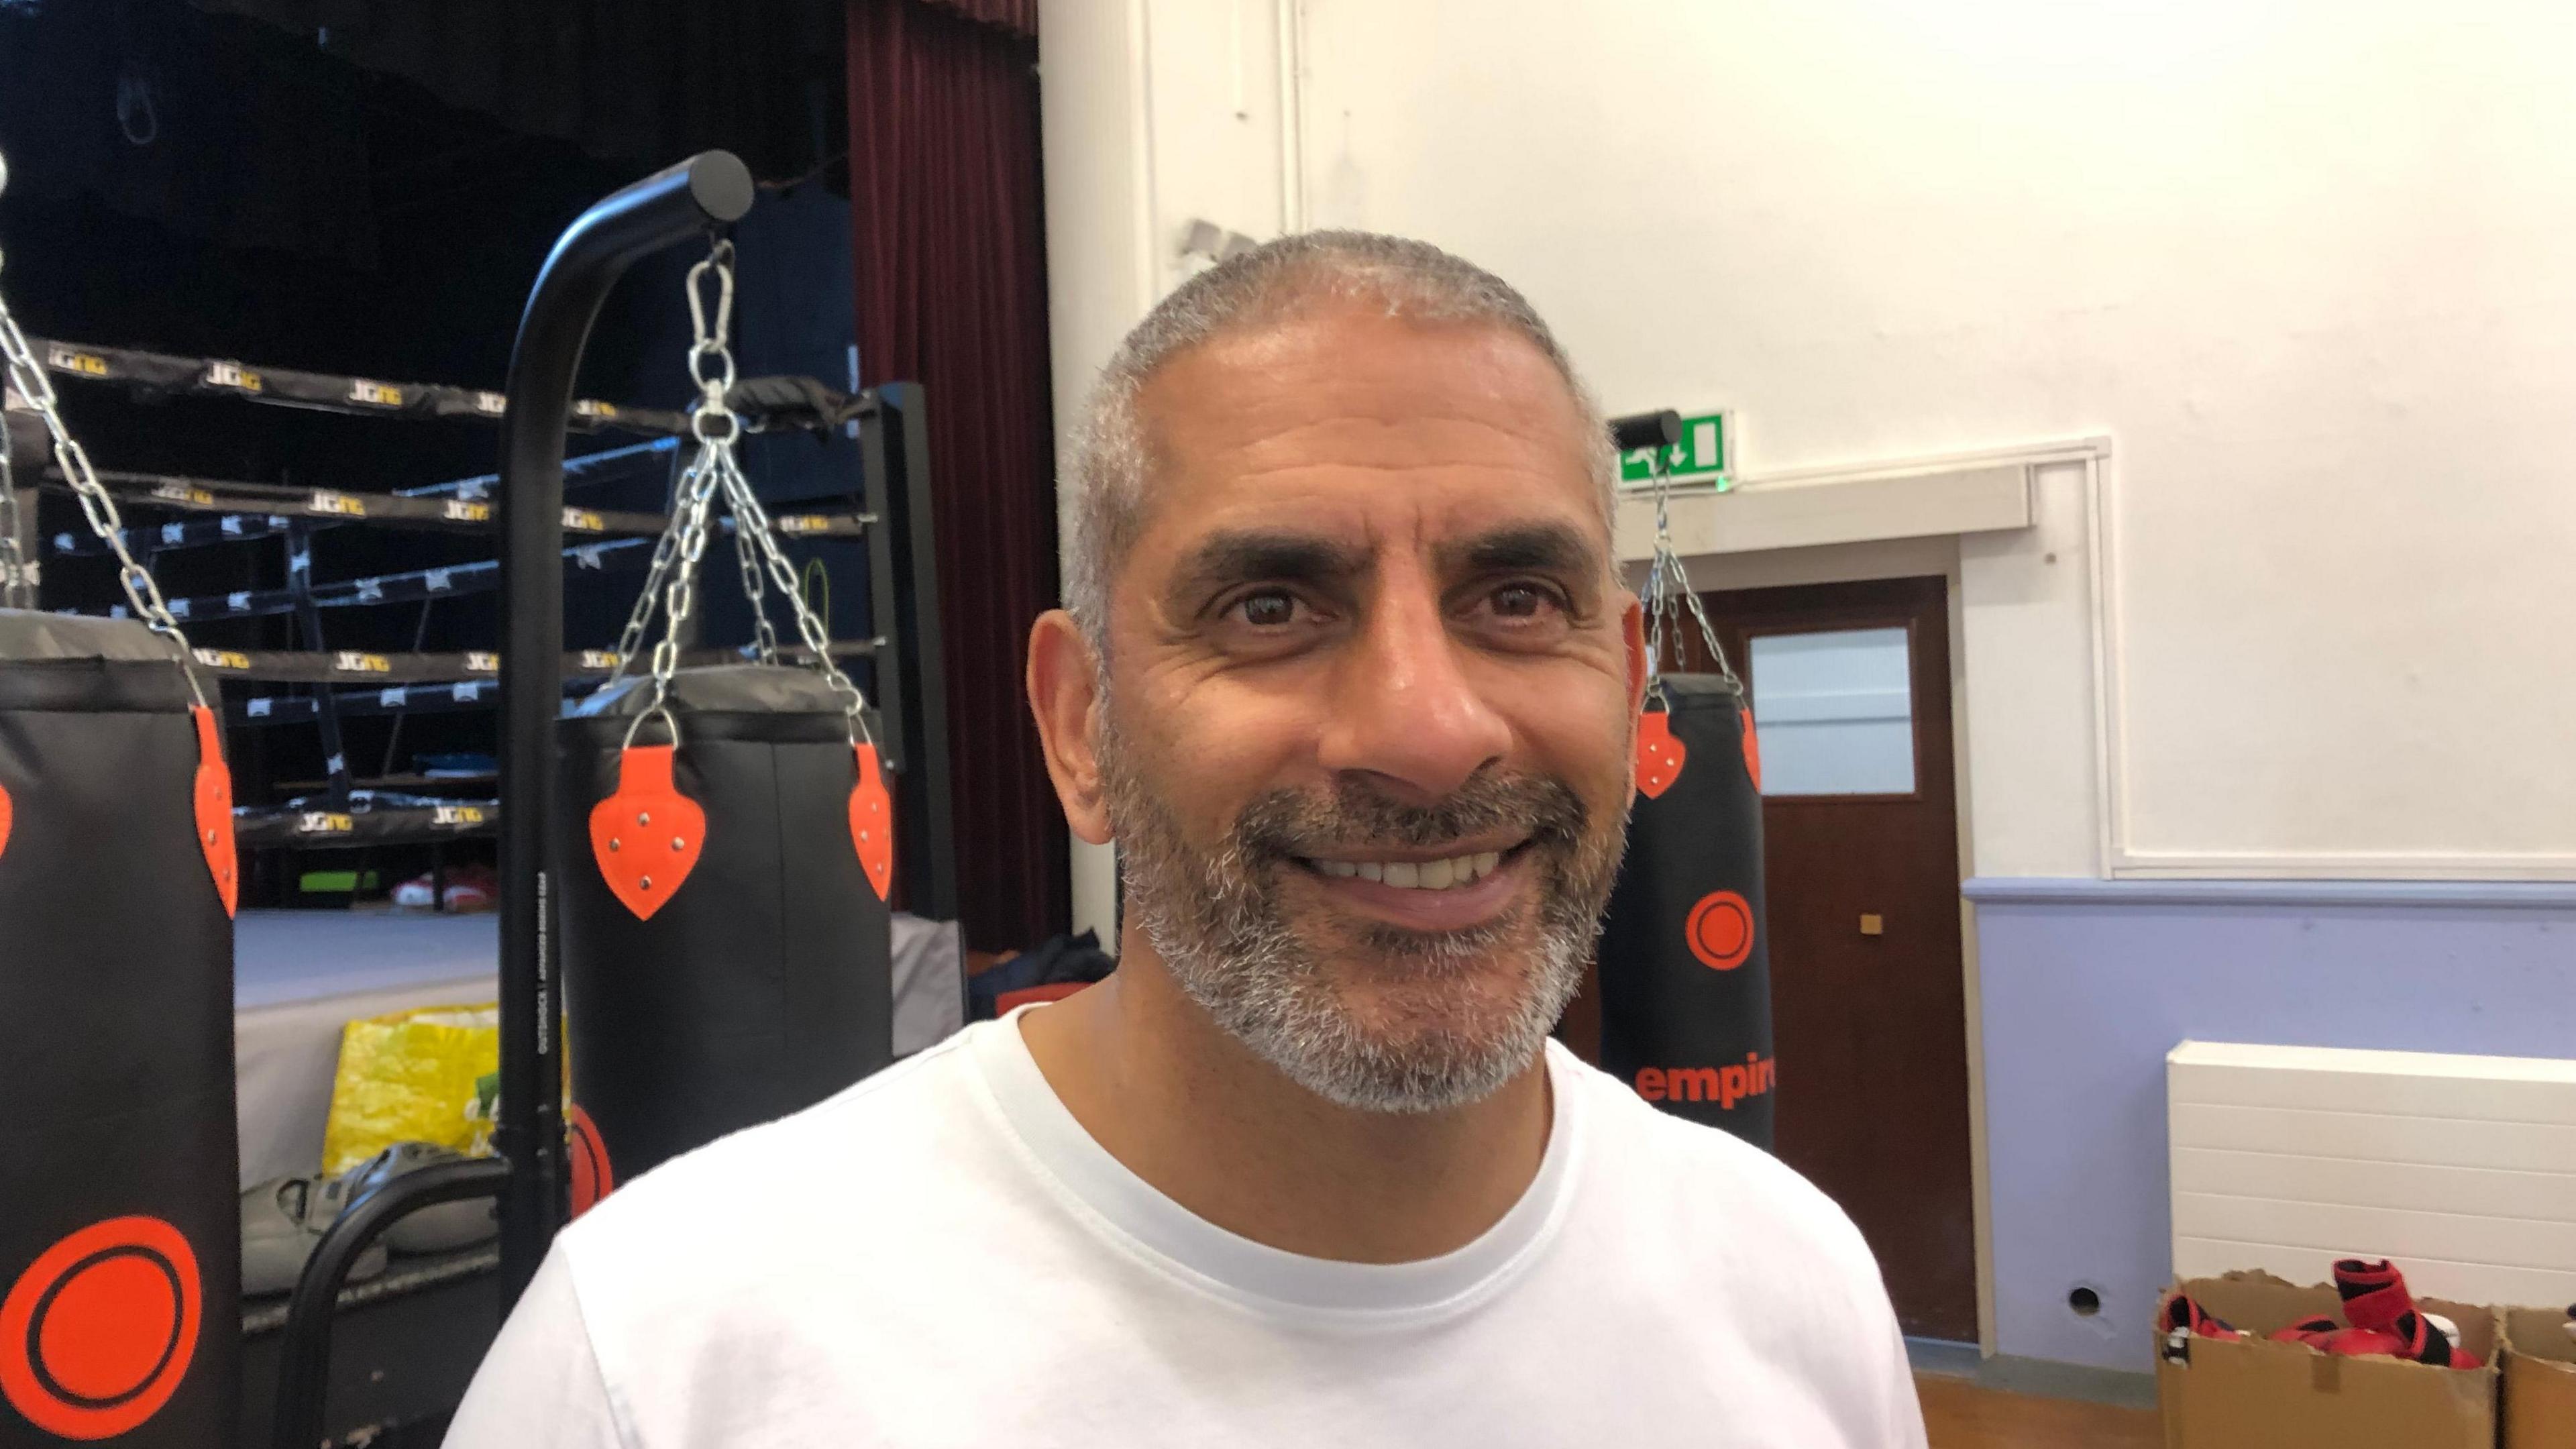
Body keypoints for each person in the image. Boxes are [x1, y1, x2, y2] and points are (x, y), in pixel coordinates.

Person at [444, 231, 1928, 1447]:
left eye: (1515, 598)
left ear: (1621, 679)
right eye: (1271, 606)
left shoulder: (1796, 1288)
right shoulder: (662, 1360)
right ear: (1079, 725)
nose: (1427, 730)